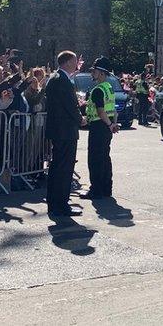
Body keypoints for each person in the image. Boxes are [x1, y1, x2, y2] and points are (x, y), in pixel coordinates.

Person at [44, 50, 84, 217]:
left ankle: (55, 203)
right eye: (74, 61)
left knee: (57, 167)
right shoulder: (61, 81)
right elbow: (69, 105)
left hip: (59, 130)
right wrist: (80, 119)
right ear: (67, 62)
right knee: (64, 168)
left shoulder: (57, 78)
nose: (76, 64)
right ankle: (60, 205)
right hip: (65, 130)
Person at [82, 57, 119, 200]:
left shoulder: (98, 90)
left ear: (102, 73)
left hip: (99, 126)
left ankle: (95, 190)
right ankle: (106, 189)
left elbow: (100, 111)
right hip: (106, 126)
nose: (92, 73)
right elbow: (114, 110)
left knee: (95, 159)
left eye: (94, 71)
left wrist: (110, 125)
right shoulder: (109, 88)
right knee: (104, 158)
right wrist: (113, 124)